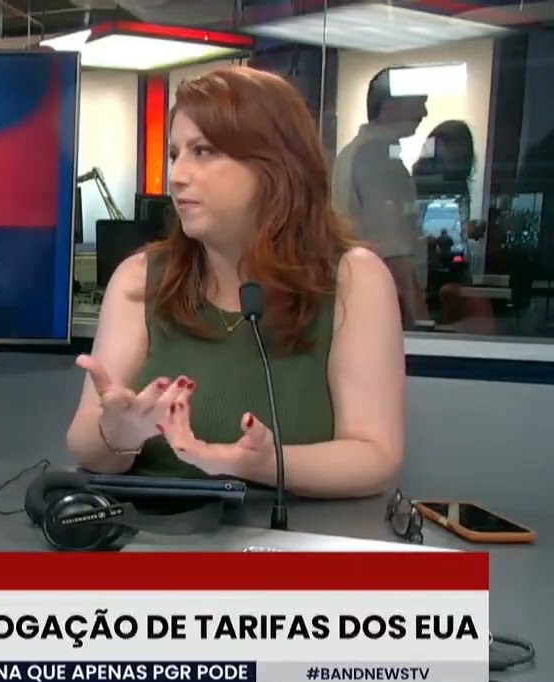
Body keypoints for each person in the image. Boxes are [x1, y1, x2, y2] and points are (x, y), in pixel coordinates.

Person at [66, 66, 405, 499]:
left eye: (203, 151)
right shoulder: (140, 277)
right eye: (175, 154)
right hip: (150, 530)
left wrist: (261, 464)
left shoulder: (355, 279)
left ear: (275, 165)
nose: (177, 175)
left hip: (292, 533)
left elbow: (376, 456)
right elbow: (85, 445)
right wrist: (117, 434)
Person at [331, 66, 430, 330]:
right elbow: (396, 256)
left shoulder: (353, 153)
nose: (424, 113)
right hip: (389, 310)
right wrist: (423, 323)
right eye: (419, 102)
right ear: (391, 105)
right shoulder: (379, 159)